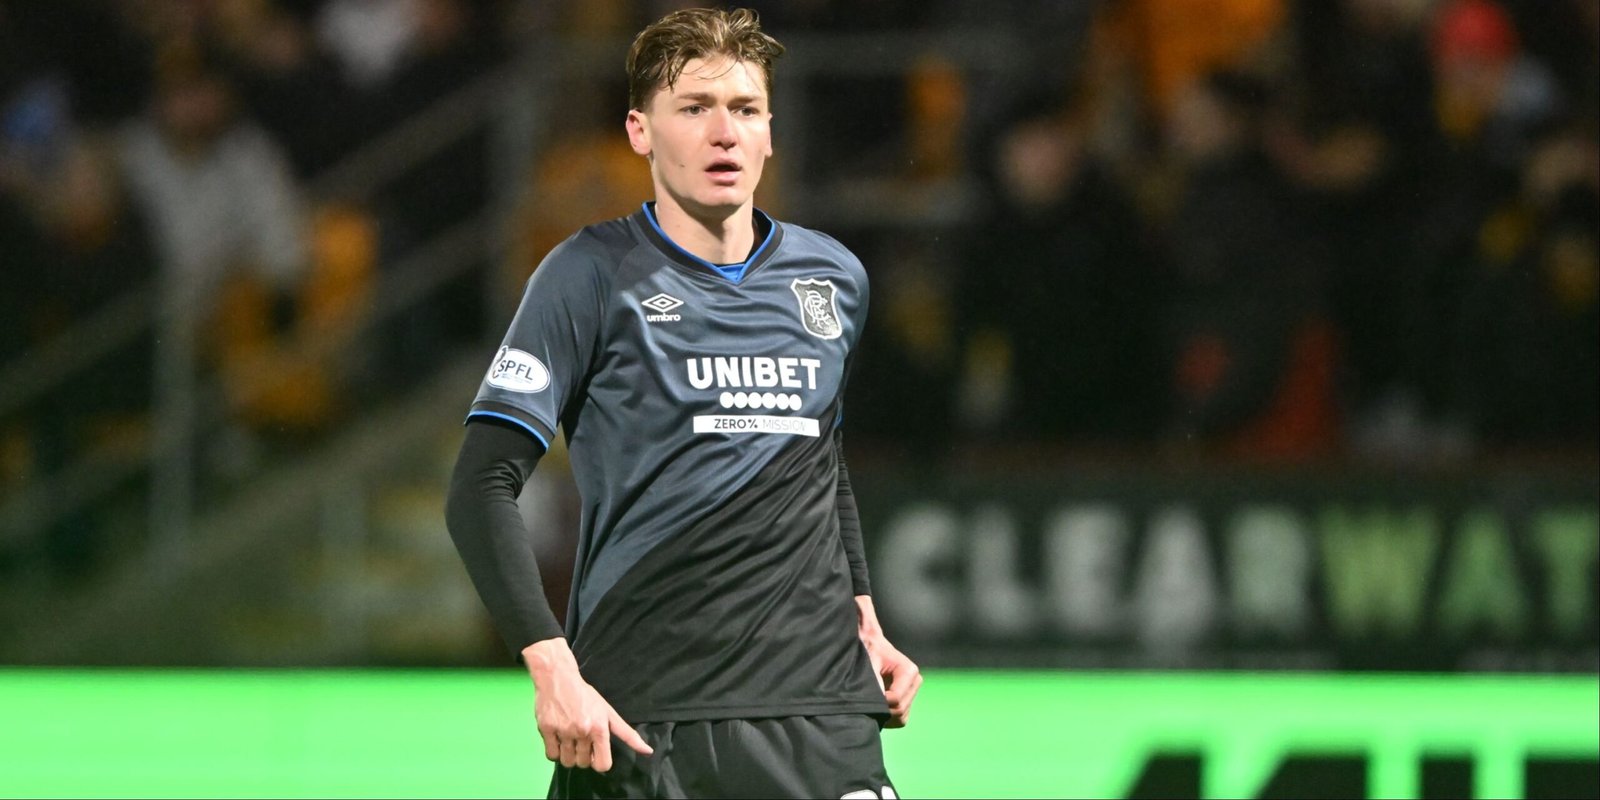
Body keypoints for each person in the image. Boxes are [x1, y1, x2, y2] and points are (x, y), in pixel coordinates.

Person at [443, 8, 920, 799]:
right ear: (640, 131)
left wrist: (864, 615)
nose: (724, 133)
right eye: (694, 108)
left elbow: (818, 460)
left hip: (821, 713)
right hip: (644, 720)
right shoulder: (589, 275)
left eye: (745, 109)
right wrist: (552, 667)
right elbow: (480, 484)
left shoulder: (832, 277)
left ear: (770, 133)